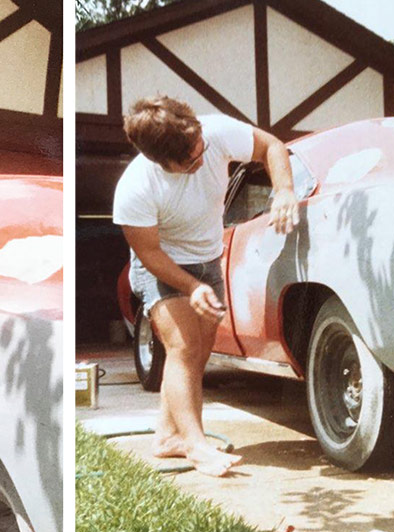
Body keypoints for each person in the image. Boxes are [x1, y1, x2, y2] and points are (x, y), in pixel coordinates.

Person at [113, 96, 299, 477]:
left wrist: (283, 190)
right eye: (190, 162)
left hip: (209, 256)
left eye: (202, 152)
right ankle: (198, 447)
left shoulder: (215, 132)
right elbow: (149, 254)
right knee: (182, 347)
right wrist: (191, 286)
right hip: (163, 264)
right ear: (159, 161)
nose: (202, 162)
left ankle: (167, 437)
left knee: (200, 353)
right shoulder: (135, 187)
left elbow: (272, 147)